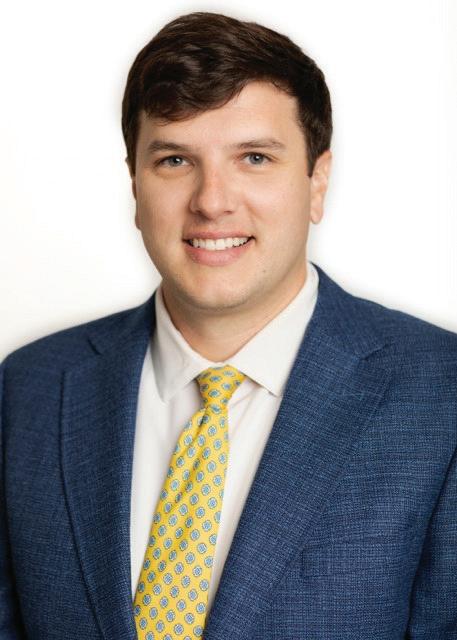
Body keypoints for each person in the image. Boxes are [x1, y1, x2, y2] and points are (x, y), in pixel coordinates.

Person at [1, 10, 456, 640]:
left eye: (254, 157)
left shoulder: (442, 398)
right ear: (134, 183)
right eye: (175, 160)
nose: (212, 201)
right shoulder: (27, 391)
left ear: (317, 180)